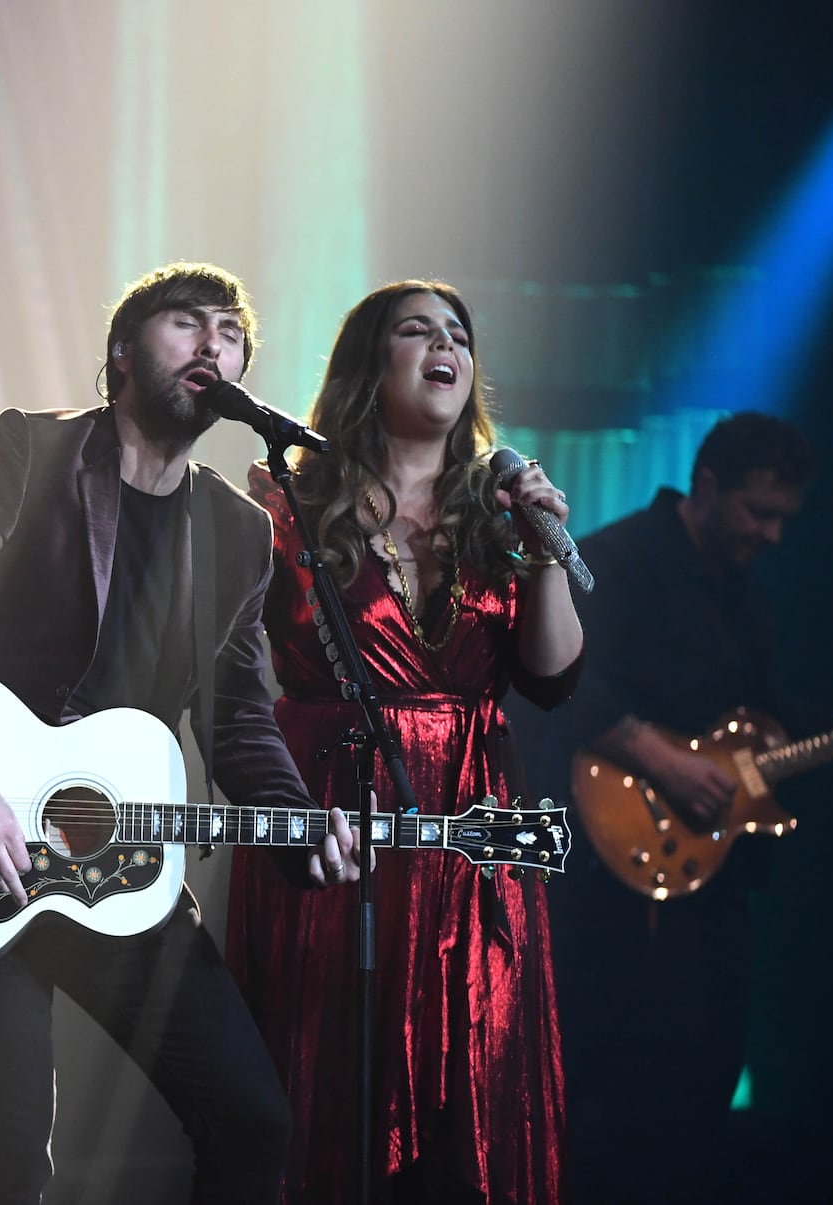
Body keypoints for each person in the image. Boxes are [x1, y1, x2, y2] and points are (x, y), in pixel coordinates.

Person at [0, 261, 366, 1204]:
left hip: (112, 857)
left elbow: (239, 720)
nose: (214, 343)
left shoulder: (240, 531)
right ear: (123, 350)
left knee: (254, 1123)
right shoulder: (34, 456)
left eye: (231, 331)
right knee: (9, 1156)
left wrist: (303, 832)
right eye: (186, 322)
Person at [225, 281, 585, 1204]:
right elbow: (221, 673)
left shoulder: (498, 519)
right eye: (416, 331)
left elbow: (552, 678)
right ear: (367, 364)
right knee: (331, 1081)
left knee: (473, 1096)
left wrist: (544, 546)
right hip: (334, 822)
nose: (446, 347)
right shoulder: (290, 508)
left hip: (471, 833)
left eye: (459, 336)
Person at [505, 411, 826, 1203]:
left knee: (701, 1085)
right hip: (602, 885)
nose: (772, 534)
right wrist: (656, 756)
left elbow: (767, 717)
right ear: (707, 486)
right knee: (604, 1090)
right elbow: (555, 681)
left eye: (785, 517)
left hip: (708, 886)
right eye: (760, 511)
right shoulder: (616, 559)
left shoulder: (746, 600)